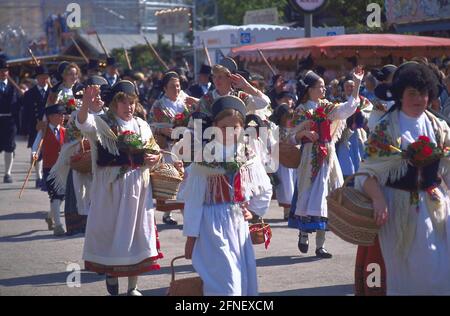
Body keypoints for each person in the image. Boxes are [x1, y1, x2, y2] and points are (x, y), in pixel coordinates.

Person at [356, 62, 450, 295]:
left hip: (433, 207)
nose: (419, 99)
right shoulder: (386, 128)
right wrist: (378, 200)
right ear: (400, 95)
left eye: (424, 93)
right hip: (396, 209)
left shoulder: (438, 126)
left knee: (437, 269)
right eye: (412, 94)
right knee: (400, 271)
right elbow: (367, 172)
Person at [76, 81, 166, 296]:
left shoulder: (141, 125)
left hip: (138, 188)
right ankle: (112, 273)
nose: (129, 107)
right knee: (113, 232)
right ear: (114, 104)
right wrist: (86, 104)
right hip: (111, 189)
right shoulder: (102, 123)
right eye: (124, 102)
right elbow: (82, 123)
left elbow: (154, 149)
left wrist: (156, 157)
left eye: (132, 103)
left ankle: (133, 287)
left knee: (137, 234)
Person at [182, 95, 273, 295]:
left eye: (236, 128)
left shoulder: (248, 154)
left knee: (240, 278)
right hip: (210, 225)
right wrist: (191, 237)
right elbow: (194, 199)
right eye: (224, 128)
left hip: (238, 223)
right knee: (226, 281)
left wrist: (254, 212)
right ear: (215, 126)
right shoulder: (205, 157)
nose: (230, 133)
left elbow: (265, 187)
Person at [288, 67, 364, 258]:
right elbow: (290, 137)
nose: (323, 90)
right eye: (320, 87)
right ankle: (304, 234)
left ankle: (320, 245)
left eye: (324, 87)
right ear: (310, 90)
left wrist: (357, 84)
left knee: (326, 195)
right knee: (308, 192)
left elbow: (347, 109)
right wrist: (305, 133)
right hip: (309, 157)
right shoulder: (301, 110)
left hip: (327, 156)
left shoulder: (327, 107)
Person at [149, 71, 198, 225]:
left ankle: (187, 213)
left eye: (178, 86)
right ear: (165, 88)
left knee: (187, 178)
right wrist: (161, 130)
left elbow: (199, 116)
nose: (176, 89)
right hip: (169, 147)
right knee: (172, 178)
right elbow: (150, 125)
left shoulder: (186, 101)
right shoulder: (159, 105)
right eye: (172, 87)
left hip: (186, 145)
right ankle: (168, 212)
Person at [32, 104, 67, 236]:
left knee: (61, 196)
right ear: (51, 117)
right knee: (55, 195)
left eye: (63, 115)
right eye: (60, 115)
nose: (62, 117)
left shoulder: (65, 131)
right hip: (49, 168)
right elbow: (36, 145)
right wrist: (35, 154)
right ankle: (58, 225)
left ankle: (49, 216)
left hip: (63, 168)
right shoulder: (43, 131)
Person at [197, 57, 270, 116]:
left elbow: (265, 102)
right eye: (214, 77)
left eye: (220, 77)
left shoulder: (240, 97)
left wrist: (247, 86)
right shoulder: (206, 99)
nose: (216, 80)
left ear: (230, 78)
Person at [336, 78, 373, 180]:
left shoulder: (363, 100)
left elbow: (369, 111)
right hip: (343, 133)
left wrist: (361, 117)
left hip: (358, 132)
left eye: (352, 86)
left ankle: (359, 175)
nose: (349, 88)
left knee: (359, 153)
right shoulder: (338, 101)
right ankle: (347, 176)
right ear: (343, 88)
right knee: (345, 154)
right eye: (347, 86)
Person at [23, 65, 50, 188]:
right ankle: (38, 176)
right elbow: (26, 112)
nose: (44, 79)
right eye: (41, 77)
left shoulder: (52, 92)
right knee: (36, 151)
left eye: (46, 77)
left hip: (50, 126)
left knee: (48, 152)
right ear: (37, 78)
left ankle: (46, 176)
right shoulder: (30, 93)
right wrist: (31, 126)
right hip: (36, 127)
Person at [270, 104, 297, 220]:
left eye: (291, 116)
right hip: (283, 162)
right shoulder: (276, 130)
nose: (290, 119)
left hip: (294, 161)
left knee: (294, 185)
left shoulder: (294, 129)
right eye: (288, 116)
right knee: (286, 187)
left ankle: (294, 210)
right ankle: (287, 211)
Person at [0, 57, 19, 183]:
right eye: (1, 70)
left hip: (10, 121)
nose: (3, 72)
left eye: (5, 70)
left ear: (8, 72)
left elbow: (20, 105)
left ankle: (7, 173)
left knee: (9, 147)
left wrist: (24, 95)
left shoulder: (14, 88)